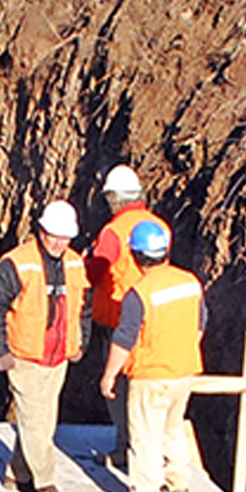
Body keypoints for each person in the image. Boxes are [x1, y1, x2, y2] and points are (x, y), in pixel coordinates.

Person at [97, 219, 206, 492]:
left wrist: (109, 375)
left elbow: (124, 339)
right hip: (184, 371)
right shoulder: (189, 282)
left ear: (135, 255)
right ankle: (176, 482)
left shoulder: (140, 293)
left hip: (150, 375)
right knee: (173, 428)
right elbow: (200, 324)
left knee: (144, 435)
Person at [0, 200, 87, 492]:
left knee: (41, 418)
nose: (58, 243)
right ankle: (45, 483)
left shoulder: (75, 264)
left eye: (65, 237)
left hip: (58, 355)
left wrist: (81, 342)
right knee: (36, 420)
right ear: (40, 231)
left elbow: (84, 307)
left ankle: (17, 474)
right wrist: (0, 351)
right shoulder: (15, 264)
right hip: (25, 355)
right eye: (53, 235)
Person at [83, 164, 169, 467]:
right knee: (145, 386)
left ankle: (125, 447)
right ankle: (145, 448)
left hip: (119, 318)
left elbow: (95, 272)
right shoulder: (159, 226)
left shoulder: (113, 232)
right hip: (155, 321)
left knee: (119, 388)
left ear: (114, 199)